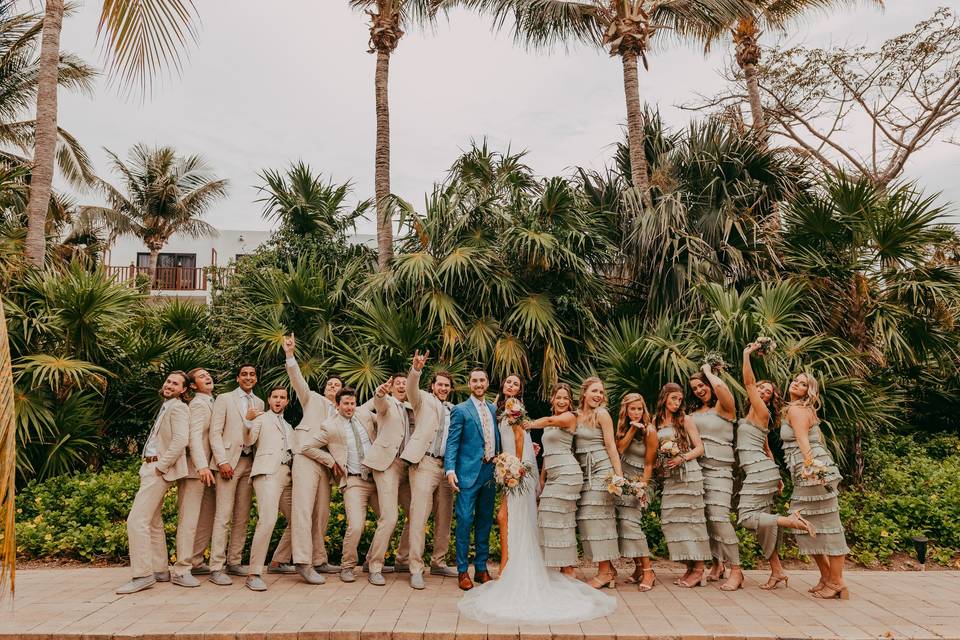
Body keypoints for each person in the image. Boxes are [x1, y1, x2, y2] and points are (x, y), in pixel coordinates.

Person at [457, 377, 616, 625]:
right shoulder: (500, 409)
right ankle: (532, 568)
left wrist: (517, 464)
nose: (562, 400)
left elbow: (536, 429)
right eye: (558, 397)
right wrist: (538, 477)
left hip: (544, 473)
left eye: (516, 383)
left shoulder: (560, 416)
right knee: (538, 521)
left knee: (551, 521)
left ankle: (561, 570)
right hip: (541, 472)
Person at [738, 343, 816, 590]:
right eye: (760, 387)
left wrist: (746, 354)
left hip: (759, 472)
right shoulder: (753, 415)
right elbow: (767, 449)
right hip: (766, 471)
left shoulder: (760, 410)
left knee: (746, 518)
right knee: (764, 527)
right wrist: (777, 476)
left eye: (768, 391)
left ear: (770, 399)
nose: (761, 391)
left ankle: (792, 521)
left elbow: (748, 383)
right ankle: (777, 572)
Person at [116, 371, 191, 594]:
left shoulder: (179, 408)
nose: (169, 385)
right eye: (168, 381)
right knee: (153, 521)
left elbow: (180, 440)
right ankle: (159, 570)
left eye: (175, 384)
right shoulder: (167, 405)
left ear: (184, 390)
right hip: (149, 466)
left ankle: (142, 575)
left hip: (159, 468)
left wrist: (160, 466)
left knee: (136, 520)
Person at [781, 372, 850, 599]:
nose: (797, 384)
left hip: (811, 470)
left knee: (824, 524)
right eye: (796, 380)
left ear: (808, 391)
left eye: (803, 384)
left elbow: (802, 439)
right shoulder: (803, 409)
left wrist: (812, 468)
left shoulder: (796, 410)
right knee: (810, 524)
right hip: (810, 469)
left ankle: (837, 581)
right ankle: (827, 576)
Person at [301, 387, 378, 584]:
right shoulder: (330, 426)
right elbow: (306, 447)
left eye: (352, 403)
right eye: (345, 403)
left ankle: (372, 562)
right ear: (337, 405)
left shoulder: (365, 416)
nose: (350, 407)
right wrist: (331, 461)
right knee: (357, 526)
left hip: (377, 480)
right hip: (353, 482)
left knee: (388, 519)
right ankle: (347, 566)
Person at [396, 350, 458, 589]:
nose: (443, 388)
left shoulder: (454, 410)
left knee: (445, 516)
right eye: (440, 384)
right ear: (432, 386)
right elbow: (411, 387)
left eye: (447, 385)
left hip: (447, 467)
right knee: (419, 515)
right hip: (424, 463)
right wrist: (416, 369)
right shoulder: (422, 400)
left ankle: (438, 562)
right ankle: (415, 567)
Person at [282, 334, 341, 579]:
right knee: (303, 509)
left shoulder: (344, 412)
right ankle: (303, 562)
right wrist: (290, 355)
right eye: (330, 384)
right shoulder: (313, 399)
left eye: (337, 386)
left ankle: (318, 558)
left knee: (322, 513)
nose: (332, 387)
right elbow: (297, 381)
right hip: (306, 457)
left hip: (327, 463)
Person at [244, 386, 311, 590]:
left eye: (282, 398)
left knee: (299, 519)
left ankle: (278, 561)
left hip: (288, 476)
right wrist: (247, 420)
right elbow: (248, 441)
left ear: (287, 401)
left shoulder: (290, 427)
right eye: (275, 397)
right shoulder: (260, 419)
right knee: (268, 519)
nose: (278, 400)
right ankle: (254, 573)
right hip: (267, 474)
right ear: (269, 399)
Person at [208, 364, 264, 585]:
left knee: (242, 515)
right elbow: (215, 432)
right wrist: (221, 460)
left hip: (250, 462)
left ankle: (234, 561)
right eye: (244, 375)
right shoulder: (224, 399)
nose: (248, 377)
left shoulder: (259, 403)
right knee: (223, 516)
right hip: (229, 463)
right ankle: (216, 567)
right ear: (237, 378)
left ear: (256, 379)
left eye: (252, 374)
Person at [444, 368, 500, 591]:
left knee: (485, 521)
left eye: (482, 380)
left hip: (490, 473)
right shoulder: (460, 410)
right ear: (469, 384)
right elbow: (452, 442)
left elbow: (499, 438)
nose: (478, 384)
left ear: (487, 383)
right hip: (467, 474)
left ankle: (481, 569)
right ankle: (462, 571)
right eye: (474, 380)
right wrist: (450, 470)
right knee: (465, 521)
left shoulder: (494, 409)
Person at [688, 365, 743, 590]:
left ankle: (737, 570)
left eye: (702, 385)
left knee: (719, 517)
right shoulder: (693, 414)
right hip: (698, 471)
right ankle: (717, 564)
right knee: (708, 519)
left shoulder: (724, 409)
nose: (699, 390)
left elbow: (721, 387)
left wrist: (707, 371)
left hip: (720, 471)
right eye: (694, 388)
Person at [655, 382, 712, 588]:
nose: (677, 403)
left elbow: (700, 448)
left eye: (680, 399)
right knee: (672, 521)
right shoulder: (656, 421)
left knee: (691, 522)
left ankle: (698, 569)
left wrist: (682, 458)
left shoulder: (685, 419)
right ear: (664, 398)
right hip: (671, 478)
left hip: (689, 475)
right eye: (673, 399)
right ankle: (690, 566)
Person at [523, 383, 581, 576]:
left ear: (570, 401)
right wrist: (541, 480)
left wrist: (529, 424)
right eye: (558, 397)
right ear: (552, 399)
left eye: (566, 398)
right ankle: (562, 566)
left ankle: (568, 568)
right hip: (553, 475)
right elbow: (547, 455)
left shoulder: (569, 417)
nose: (562, 401)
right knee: (549, 519)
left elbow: (548, 420)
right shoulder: (554, 421)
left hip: (567, 474)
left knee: (559, 519)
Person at [574, 377, 622, 589]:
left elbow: (611, 446)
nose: (598, 396)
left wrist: (618, 477)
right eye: (594, 391)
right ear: (584, 393)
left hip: (602, 471)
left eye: (601, 392)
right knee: (587, 519)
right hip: (585, 473)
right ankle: (609, 568)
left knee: (598, 520)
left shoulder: (601, 414)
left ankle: (604, 572)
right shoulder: (575, 416)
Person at [171, 368, 217, 588]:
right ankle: (181, 569)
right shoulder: (198, 404)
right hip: (196, 471)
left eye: (208, 374)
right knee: (189, 520)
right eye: (201, 376)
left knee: (205, 518)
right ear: (192, 386)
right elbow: (194, 438)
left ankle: (197, 561)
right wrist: (201, 466)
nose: (207, 377)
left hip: (209, 470)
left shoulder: (211, 401)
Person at [363, 376, 410, 586]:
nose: (402, 385)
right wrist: (381, 393)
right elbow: (378, 403)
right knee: (389, 517)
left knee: (416, 515)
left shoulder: (413, 406)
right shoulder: (386, 403)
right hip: (387, 465)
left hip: (408, 468)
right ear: (391, 387)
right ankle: (375, 566)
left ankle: (401, 558)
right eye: (398, 382)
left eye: (405, 383)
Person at [614, 393, 658, 591]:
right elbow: (619, 450)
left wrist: (642, 487)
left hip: (640, 481)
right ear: (626, 410)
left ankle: (649, 571)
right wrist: (632, 428)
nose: (637, 412)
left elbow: (649, 464)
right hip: (623, 482)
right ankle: (638, 568)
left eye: (640, 409)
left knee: (632, 525)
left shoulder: (650, 430)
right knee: (625, 525)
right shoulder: (623, 427)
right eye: (633, 408)